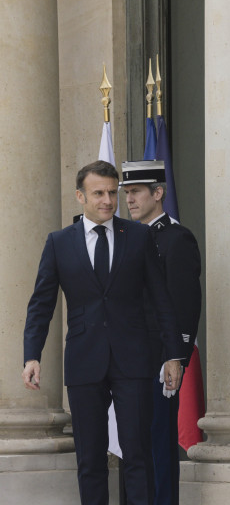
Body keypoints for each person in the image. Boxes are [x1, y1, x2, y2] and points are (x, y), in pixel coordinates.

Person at [22, 160, 185, 505]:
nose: (108, 200)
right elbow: (41, 304)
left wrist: (173, 355)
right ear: (80, 196)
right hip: (84, 360)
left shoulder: (139, 236)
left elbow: (162, 300)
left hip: (134, 360)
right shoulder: (59, 242)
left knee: (137, 454)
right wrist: (32, 355)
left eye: (113, 192)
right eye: (99, 193)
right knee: (90, 458)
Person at [121, 160, 202, 505]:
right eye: (126, 193)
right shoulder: (125, 237)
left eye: (136, 192)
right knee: (130, 445)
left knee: (157, 443)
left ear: (158, 193)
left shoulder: (176, 238)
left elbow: (184, 303)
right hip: (125, 359)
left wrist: (176, 357)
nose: (129, 200)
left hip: (159, 358)